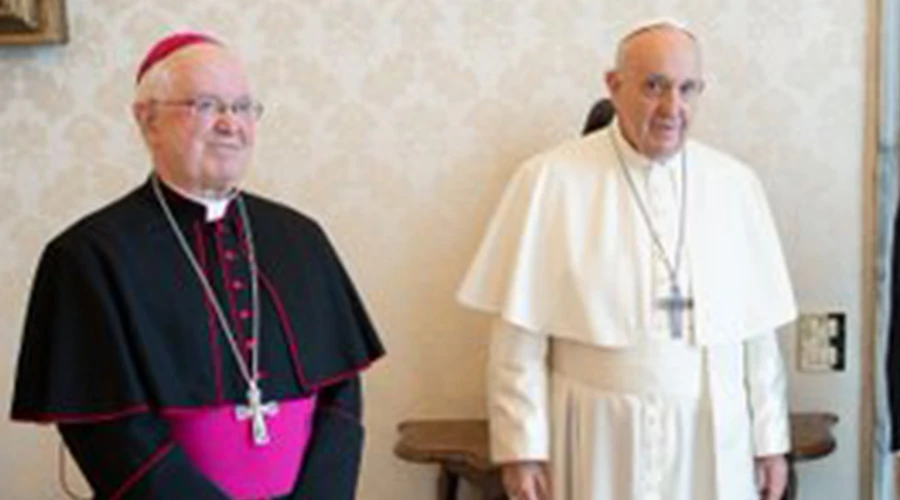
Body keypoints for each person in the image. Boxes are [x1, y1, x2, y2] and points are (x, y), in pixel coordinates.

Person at [10, 32, 384, 500]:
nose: (231, 124)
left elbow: (341, 393)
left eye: (243, 107)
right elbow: (108, 432)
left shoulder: (301, 238)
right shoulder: (89, 255)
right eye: (206, 105)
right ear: (147, 120)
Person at [458, 19, 796, 500]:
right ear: (614, 86)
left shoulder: (736, 185)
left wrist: (770, 443)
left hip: (713, 433)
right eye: (654, 86)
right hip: (596, 432)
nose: (672, 108)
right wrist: (522, 449)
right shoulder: (549, 179)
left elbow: (759, 338)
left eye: (687, 89)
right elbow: (518, 337)